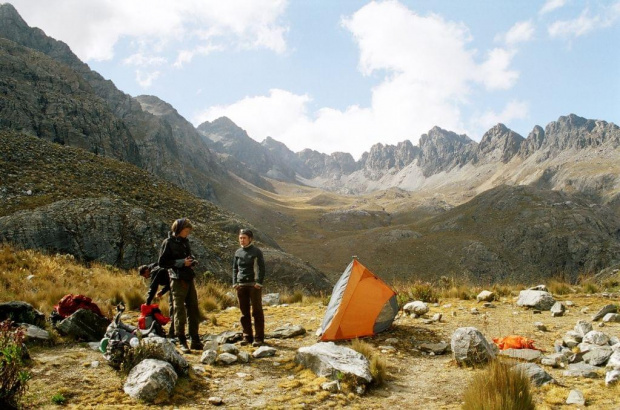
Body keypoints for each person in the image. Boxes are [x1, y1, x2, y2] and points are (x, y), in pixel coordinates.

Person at [158, 218, 203, 353]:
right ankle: (182, 340)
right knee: (179, 311)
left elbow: (188, 256)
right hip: (177, 280)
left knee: (193, 309)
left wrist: (191, 260)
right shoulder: (168, 243)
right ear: (178, 229)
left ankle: (195, 339)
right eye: (186, 230)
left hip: (189, 278)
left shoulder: (185, 242)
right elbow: (162, 262)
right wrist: (181, 262)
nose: (187, 233)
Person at [232, 228, 266, 347]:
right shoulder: (237, 252)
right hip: (241, 286)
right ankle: (247, 336)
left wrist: (259, 282)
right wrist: (235, 282)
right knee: (244, 312)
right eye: (240, 238)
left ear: (250, 239)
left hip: (254, 286)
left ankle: (259, 338)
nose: (242, 240)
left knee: (257, 312)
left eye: (244, 238)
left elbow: (262, 268)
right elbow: (235, 269)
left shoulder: (256, 251)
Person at [138, 263, 174, 337]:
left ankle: (173, 332)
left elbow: (153, 288)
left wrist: (147, 303)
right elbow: (169, 282)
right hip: (175, 283)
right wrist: (162, 291)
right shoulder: (158, 267)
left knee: (173, 308)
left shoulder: (154, 271)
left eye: (145, 275)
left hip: (176, 286)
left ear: (146, 270)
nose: (146, 277)